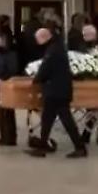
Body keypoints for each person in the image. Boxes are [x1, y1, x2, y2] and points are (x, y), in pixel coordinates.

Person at [28, 28, 87, 159]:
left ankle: (80, 148)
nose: (37, 43)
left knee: (65, 120)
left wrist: (36, 79)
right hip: (58, 90)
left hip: (56, 91)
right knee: (48, 120)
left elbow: (45, 68)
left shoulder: (53, 50)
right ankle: (43, 147)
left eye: (38, 39)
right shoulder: (56, 47)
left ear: (44, 37)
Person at [0, 31, 19, 146]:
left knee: (5, 111)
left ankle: (8, 137)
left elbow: (11, 69)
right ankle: (5, 136)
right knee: (0, 111)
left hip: (5, 84)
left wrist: (2, 79)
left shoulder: (9, 54)